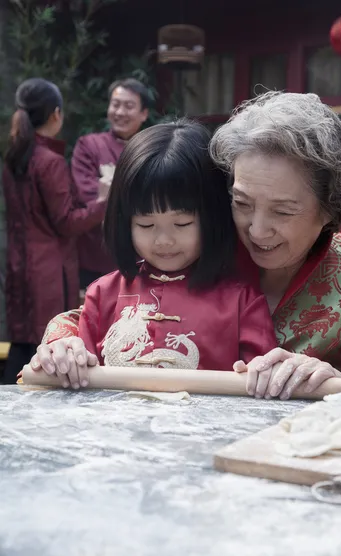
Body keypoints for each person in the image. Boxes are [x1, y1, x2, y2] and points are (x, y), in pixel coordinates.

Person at [31, 92, 341, 397]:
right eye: (242, 203)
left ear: (329, 209)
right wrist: (63, 343)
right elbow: (100, 309)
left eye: (283, 212)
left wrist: (335, 384)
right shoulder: (205, 244)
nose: (256, 230)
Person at [27, 119, 276, 388]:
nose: (163, 240)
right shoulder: (102, 294)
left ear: (212, 218)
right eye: (146, 225)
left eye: (182, 224)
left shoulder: (241, 302)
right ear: (125, 222)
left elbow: (263, 386)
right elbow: (77, 385)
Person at [2, 78, 109, 384]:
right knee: (46, 349)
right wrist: (103, 202)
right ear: (55, 115)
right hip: (49, 272)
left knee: (21, 346)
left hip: (19, 268)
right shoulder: (49, 161)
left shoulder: (14, 157)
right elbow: (67, 223)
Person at [72, 78, 150, 288]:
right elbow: (87, 194)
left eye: (129, 106)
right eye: (115, 104)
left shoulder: (151, 149)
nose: (120, 112)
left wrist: (109, 193)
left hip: (142, 256)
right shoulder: (89, 145)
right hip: (95, 257)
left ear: (144, 113)